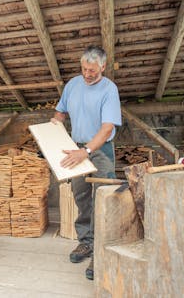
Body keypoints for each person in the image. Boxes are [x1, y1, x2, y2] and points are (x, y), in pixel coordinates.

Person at [51, 45, 121, 280]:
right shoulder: (72, 84)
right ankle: (86, 243)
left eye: (92, 70)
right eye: (84, 69)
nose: (88, 74)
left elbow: (107, 127)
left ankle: (102, 252)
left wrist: (87, 151)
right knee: (81, 196)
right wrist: (55, 124)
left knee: (103, 199)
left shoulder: (109, 89)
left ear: (103, 66)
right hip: (75, 148)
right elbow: (60, 111)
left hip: (100, 151)